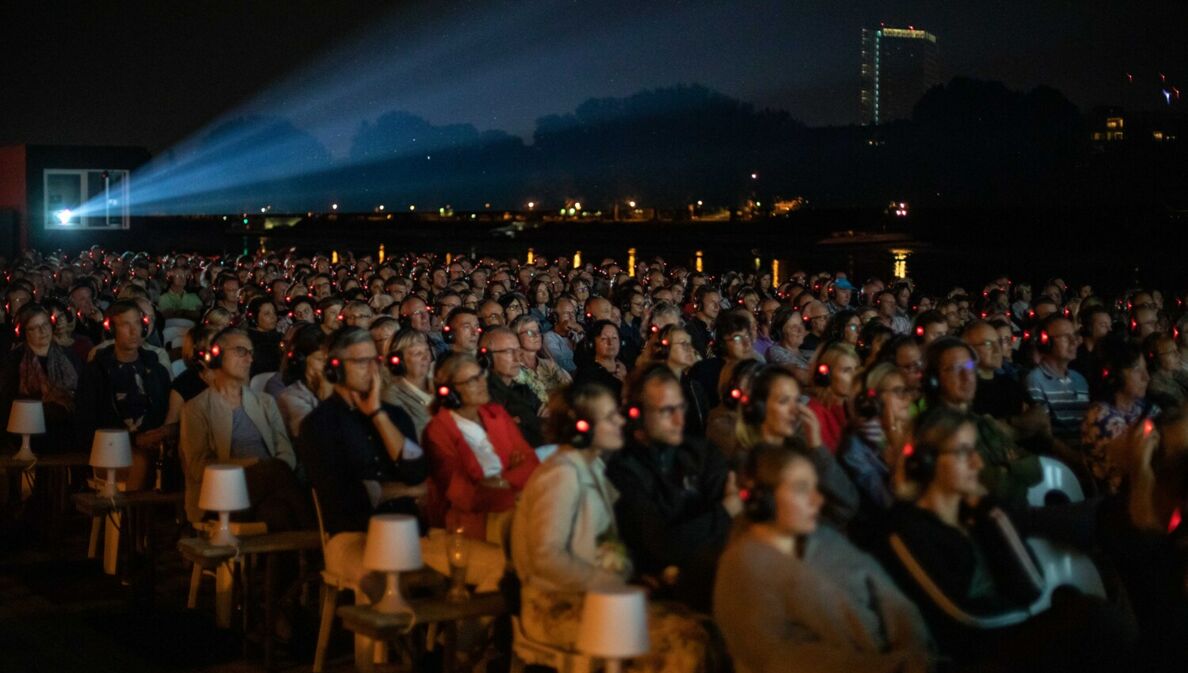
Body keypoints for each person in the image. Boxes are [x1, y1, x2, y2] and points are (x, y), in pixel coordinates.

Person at [883, 407, 1137, 672]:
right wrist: (1034, 617)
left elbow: (1029, 586)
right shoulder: (904, 528)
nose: (977, 464)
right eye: (963, 453)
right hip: (970, 656)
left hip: (1003, 634)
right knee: (1095, 621)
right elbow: (964, 619)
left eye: (975, 452)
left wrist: (987, 511)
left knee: (1098, 616)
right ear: (925, 461)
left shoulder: (971, 514)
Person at [714, 444, 933, 673]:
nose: (817, 500)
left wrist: (916, 652)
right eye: (801, 489)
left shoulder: (825, 540)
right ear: (763, 501)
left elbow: (893, 601)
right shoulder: (740, 573)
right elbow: (786, 660)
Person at [606, 365, 738, 611]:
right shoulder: (621, 469)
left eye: (681, 408)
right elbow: (662, 544)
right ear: (636, 414)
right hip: (667, 594)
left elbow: (728, 530)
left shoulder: (701, 452)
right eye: (667, 411)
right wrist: (724, 511)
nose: (679, 419)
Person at [179, 327, 309, 530]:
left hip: (268, 488)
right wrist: (254, 465)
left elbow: (286, 452)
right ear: (217, 355)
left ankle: (299, 551)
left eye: (250, 353)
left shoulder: (265, 402)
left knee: (277, 513)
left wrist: (265, 471)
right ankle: (315, 542)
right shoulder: (196, 408)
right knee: (275, 471)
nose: (249, 359)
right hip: (221, 494)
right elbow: (197, 468)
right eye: (240, 351)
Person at [421, 352, 540, 542]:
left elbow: (531, 462)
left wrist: (500, 481)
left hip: (516, 509)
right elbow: (464, 494)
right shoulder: (438, 431)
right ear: (450, 392)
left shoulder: (496, 413)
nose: (482, 383)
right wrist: (515, 482)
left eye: (481, 375)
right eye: (472, 380)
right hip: (470, 525)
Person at [735, 366, 859, 528]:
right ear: (758, 408)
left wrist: (817, 446)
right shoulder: (745, 462)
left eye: (797, 401)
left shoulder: (802, 449)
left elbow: (847, 504)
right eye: (784, 401)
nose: (795, 410)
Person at [76, 300, 174, 490]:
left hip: (154, 443)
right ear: (112, 330)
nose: (134, 331)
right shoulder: (97, 372)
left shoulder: (155, 369)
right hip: (112, 446)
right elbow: (86, 424)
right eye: (125, 324)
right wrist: (134, 440)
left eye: (137, 323)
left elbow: (163, 407)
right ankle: (132, 518)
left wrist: (161, 434)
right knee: (140, 461)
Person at [836, 363, 913, 527]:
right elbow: (890, 504)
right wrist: (899, 458)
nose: (907, 398)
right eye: (899, 392)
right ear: (874, 398)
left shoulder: (913, 432)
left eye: (906, 391)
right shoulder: (855, 450)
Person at [0, 304, 82, 455]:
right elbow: (7, 401)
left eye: (45, 325)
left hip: (67, 433)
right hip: (28, 434)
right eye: (34, 328)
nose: (42, 331)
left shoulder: (69, 356)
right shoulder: (15, 361)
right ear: (25, 332)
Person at [1082, 341, 1157, 493]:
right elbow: (1135, 463)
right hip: (1124, 499)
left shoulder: (1145, 407)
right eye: (1137, 370)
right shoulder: (1100, 415)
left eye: (1146, 369)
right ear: (1114, 374)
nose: (1146, 377)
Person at [1026, 314, 1091, 444]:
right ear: (1046, 342)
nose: (1073, 342)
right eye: (1066, 337)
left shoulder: (1080, 380)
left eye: (1074, 336)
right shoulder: (1035, 380)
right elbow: (1045, 436)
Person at [480, 326, 544, 447]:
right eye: (509, 352)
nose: (517, 358)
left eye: (518, 351)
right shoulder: (481, 395)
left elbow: (548, 423)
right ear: (487, 358)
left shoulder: (523, 390)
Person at [275, 323, 333, 440]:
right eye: (320, 359)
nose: (327, 366)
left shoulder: (337, 386)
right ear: (301, 361)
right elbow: (313, 437)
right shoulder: (290, 397)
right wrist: (328, 400)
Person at [652, 324, 711, 437]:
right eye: (683, 344)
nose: (690, 349)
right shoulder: (653, 386)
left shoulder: (694, 387)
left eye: (689, 344)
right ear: (665, 349)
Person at [380, 328, 436, 440]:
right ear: (399, 361)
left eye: (426, 351)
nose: (426, 358)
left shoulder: (440, 384)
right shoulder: (391, 396)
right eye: (417, 353)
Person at [806, 341, 861, 453]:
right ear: (827, 375)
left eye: (856, 370)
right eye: (846, 370)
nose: (854, 376)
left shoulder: (854, 406)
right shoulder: (816, 412)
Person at [510, 314, 571, 399]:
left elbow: (570, 389)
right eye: (530, 332)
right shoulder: (514, 369)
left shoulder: (550, 364)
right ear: (516, 337)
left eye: (538, 331)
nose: (536, 335)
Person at [572, 320, 627, 402]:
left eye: (614, 338)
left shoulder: (625, 369)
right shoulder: (586, 375)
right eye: (604, 338)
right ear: (592, 344)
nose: (610, 342)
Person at [243, 296, 282, 377]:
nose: (273, 317)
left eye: (274, 312)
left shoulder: (280, 337)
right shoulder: (247, 340)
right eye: (267, 314)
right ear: (254, 318)